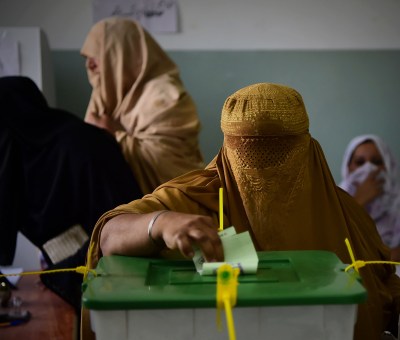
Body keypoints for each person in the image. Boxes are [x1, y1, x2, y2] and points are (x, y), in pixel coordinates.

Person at [82, 83, 400, 340]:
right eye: (249, 155)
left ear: (305, 145)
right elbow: (110, 234)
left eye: (280, 154)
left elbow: (385, 293)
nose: (264, 173)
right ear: (227, 148)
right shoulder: (193, 199)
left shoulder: (347, 214)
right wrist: (161, 223)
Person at [0, 76, 143, 313]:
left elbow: (121, 223)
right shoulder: (23, 155)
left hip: (115, 276)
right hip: (71, 277)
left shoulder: (82, 145)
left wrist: (60, 277)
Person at [81, 16, 205, 195]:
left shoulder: (166, 95)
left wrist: (113, 135)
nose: (89, 65)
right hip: (126, 206)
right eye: (87, 58)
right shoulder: (106, 93)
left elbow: (168, 163)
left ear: (121, 53)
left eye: (96, 56)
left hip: (180, 205)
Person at [339, 135, 400, 264]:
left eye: (376, 162)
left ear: (387, 165)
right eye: (360, 162)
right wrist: (359, 201)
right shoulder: (336, 197)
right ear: (348, 167)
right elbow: (334, 242)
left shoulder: (397, 202)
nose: (368, 168)